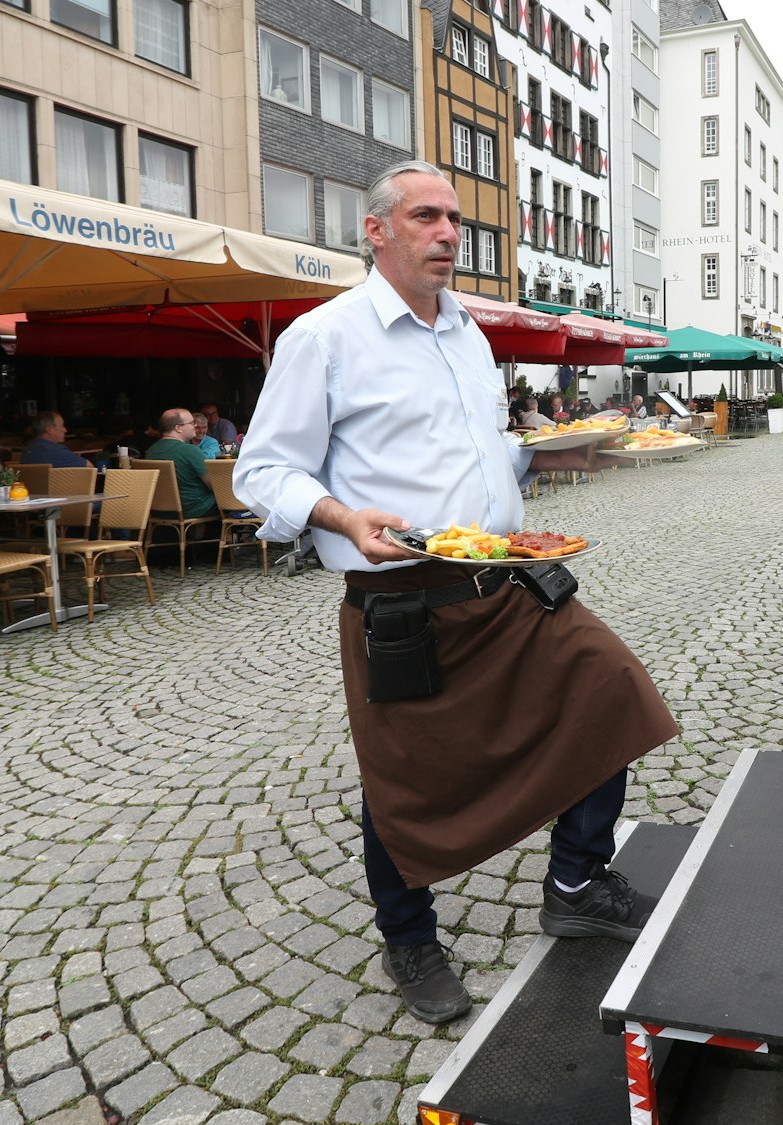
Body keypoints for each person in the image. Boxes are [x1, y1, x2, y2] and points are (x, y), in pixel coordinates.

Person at [233, 160, 677, 1025]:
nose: (448, 235)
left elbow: (483, 455)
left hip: (510, 580)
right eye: (428, 217)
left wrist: (549, 454)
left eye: (456, 221)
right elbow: (262, 472)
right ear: (377, 229)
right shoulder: (324, 337)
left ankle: (578, 879)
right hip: (402, 603)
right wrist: (337, 512)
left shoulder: (468, 333)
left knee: (610, 690)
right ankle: (408, 937)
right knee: (401, 783)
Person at [144, 409, 219, 516]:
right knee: (229, 501)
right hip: (193, 508)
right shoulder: (190, 450)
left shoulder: (151, 450)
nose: (195, 425)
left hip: (158, 510)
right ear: (178, 428)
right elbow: (214, 485)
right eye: (192, 423)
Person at [20, 412, 90, 468]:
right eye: (62, 425)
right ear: (49, 429)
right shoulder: (58, 452)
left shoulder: (25, 453)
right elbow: (90, 469)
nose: (65, 430)